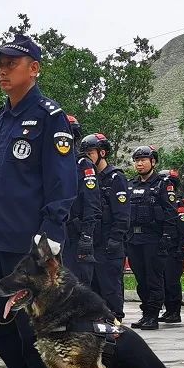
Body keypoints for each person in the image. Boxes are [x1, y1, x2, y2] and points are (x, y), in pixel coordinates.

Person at [0, 34, 77, 368]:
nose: (2, 71)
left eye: (11, 64)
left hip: (29, 245)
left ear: (33, 69)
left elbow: (61, 182)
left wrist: (51, 234)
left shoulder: (51, 118)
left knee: (30, 327)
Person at [79, 133, 130, 320]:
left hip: (110, 242)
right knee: (94, 287)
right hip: (94, 241)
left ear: (102, 153)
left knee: (111, 287)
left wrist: (116, 238)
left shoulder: (116, 178)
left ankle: (115, 321)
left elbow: (123, 213)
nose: (87, 157)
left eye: (90, 153)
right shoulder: (88, 176)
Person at [127, 145, 177, 331]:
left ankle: (153, 315)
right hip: (134, 239)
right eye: (137, 161)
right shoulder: (131, 185)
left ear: (153, 162)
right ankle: (146, 312)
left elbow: (171, 213)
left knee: (153, 279)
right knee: (141, 280)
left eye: (143, 160)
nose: (139, 164)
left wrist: (167, 236)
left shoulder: (163, 184)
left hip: (154, 239)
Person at [62, 116, 102, 286]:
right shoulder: (52, 163)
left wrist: (87, 235)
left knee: (79, 285)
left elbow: (91, 203)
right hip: (57, 232)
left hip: (76, 233)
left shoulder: (83, 164)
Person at [158, 169, 184, 324]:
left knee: (172, 281)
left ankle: (175, 311)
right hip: (162, 247)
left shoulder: (178, 204)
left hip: (175, 248)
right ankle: (168, 310)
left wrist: (181, 247)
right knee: (163, 281)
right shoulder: (161, 203)